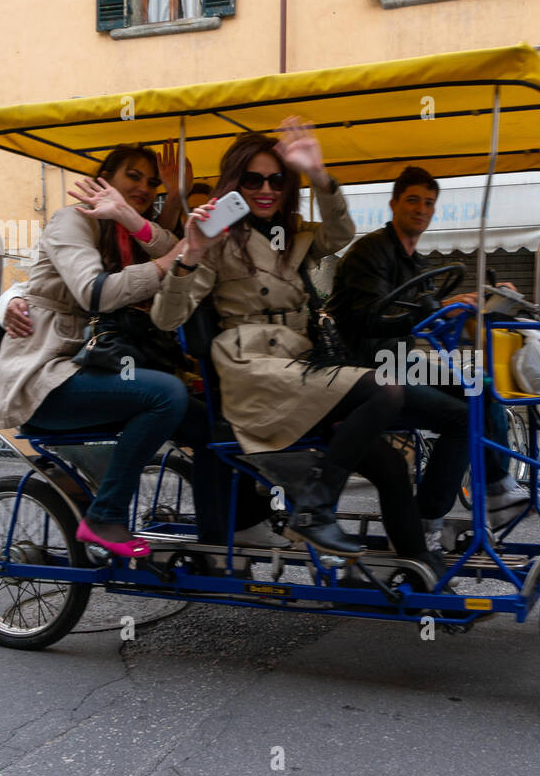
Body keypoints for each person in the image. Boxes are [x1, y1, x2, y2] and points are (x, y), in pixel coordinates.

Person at [151, 118, 437, 574]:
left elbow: (341, 233)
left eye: (276, 179)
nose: (266, 189)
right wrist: (192, 252)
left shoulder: (296, 234)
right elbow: (167, 318)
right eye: (253, 180)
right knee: (385, 389)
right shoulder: (216, 238)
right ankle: (315, 510)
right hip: (252, 372)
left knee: (389, 465)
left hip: (301, 364)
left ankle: (421, 573)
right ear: (234, 185)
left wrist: (320, 175)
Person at [0, 166, 281, 549]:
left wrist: (171, 208)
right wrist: (8, 301)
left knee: (212, 425)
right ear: (104, 179)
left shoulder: (124, 231)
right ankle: (105, 516)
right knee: (166, 394)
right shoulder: (72, 221)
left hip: (97, 369)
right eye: (133, 177)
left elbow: (183, 256)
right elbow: (95, 293)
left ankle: (220, 536)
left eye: (151, 183)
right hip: (47, 377)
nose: (144, 187)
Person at [327, 166, 540, 547]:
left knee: (480, 387)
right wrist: (438, 307)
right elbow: (371, 318)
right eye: (413, 200)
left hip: (399, 361)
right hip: (365, 368)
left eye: (429, 203)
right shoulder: (370, 252)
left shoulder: (417, 263)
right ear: (394, 204)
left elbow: (430, 323)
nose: (421, 209)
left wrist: (486, 307)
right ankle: (426, 517)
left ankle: (498, 487)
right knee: (461, 418)